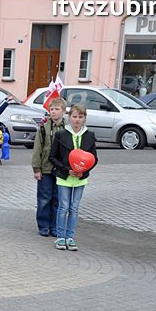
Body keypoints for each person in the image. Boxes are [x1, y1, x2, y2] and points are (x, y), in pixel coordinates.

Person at [49, 104, 98, 251]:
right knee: (63, 207)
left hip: (80, 178)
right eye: (74, 116)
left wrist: (84, 171)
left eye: (80, 117)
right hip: (64, 177)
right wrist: (66, 169)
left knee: (74, 207)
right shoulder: (61, 134)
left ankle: (70, 237)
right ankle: (60, 237)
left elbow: (94, 158)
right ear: (69, 118)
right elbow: (52, 157)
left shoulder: (89, 135)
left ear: (85, 119)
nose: (77, 120)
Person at [31, 97, 66, 237]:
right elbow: (37, 148)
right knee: (44, 198)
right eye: (51, 109)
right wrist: (36, 168)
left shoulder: (67, 128)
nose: (54, 112)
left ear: (63, 111)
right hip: (45, 168)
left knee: (58, 199)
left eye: (57, 109)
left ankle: (55, 226)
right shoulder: (44, 128)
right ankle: (43, 226)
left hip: (61, 169)